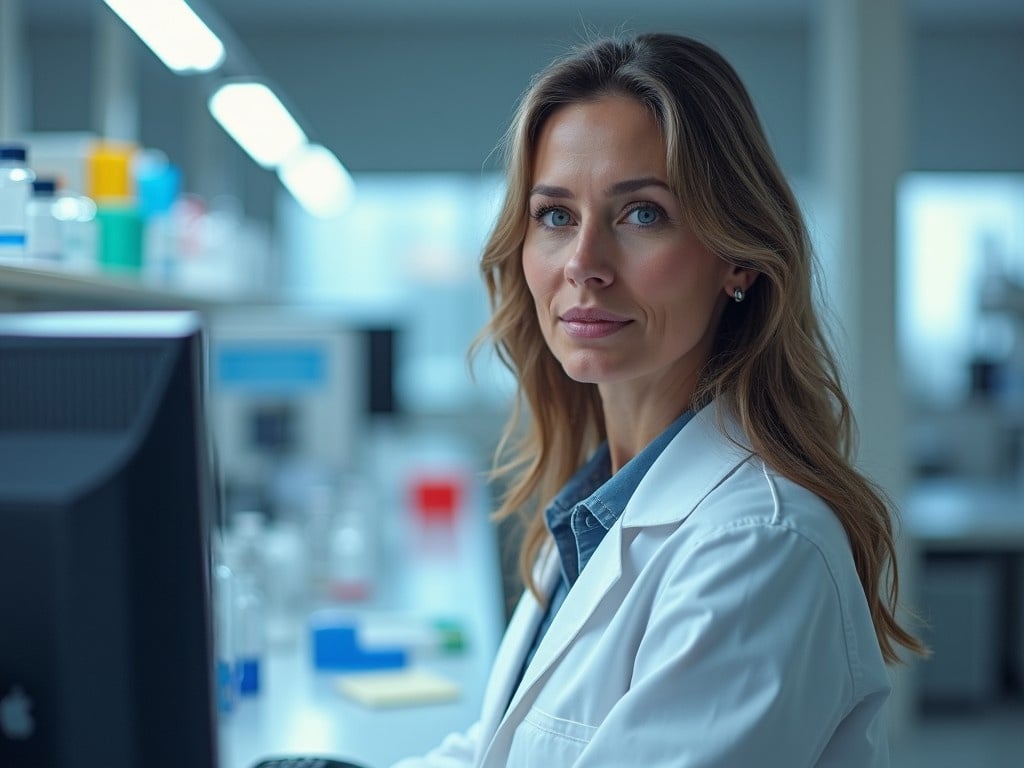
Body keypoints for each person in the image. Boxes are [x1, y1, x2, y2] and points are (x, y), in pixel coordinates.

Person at [392, 31, 925, 767]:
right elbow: (496, 752)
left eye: (641, 213)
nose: (584, 264)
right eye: (555, 216)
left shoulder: (757, 547)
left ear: (737, 257)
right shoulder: (597, 507)